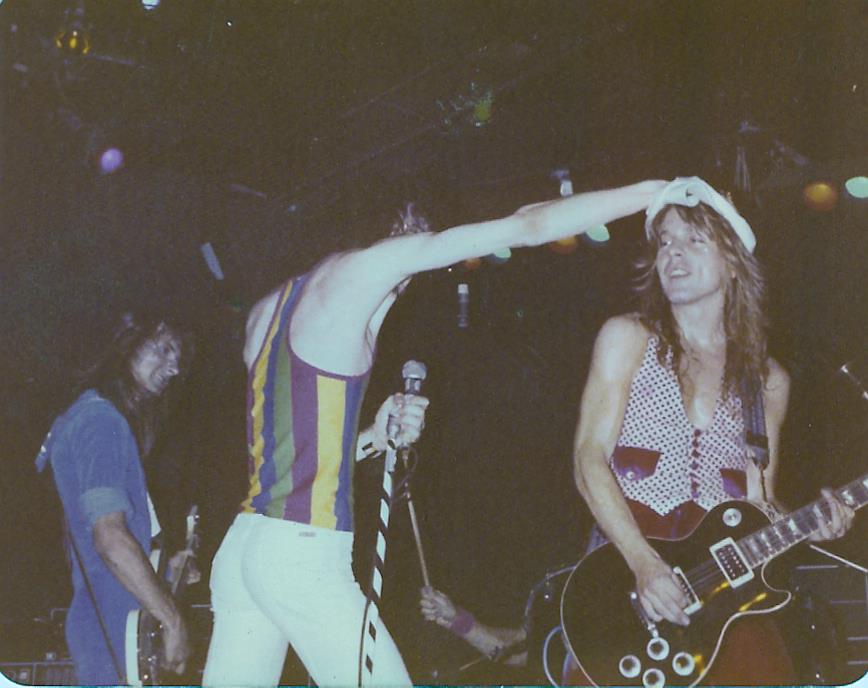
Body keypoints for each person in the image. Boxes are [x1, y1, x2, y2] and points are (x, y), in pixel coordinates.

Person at [202, 179, 671, 688]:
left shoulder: (269, 309)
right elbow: (528, 224)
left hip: (247, 547)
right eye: (418, 236)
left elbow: (294, 459)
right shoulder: (365, 269)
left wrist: (375, 437)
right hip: (302, 553)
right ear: (398, 230)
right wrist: (659, 191)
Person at [572, 176, 856, 684]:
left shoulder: (766, 381)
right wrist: (643, 562)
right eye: (665, 242)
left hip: (724, 593)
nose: (673, 254)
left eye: (694, 240)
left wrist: (816, 522)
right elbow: (587, 458)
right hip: (626, 573)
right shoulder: (628, 337)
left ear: (733, 262)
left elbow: (759, 504)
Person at [35, 312, 195, 685]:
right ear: (128, 342)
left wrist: (166, 572)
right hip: (111, 624)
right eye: (165, 349)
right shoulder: (101, 421)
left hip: (111, 623)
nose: (173, 368)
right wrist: (172, 620)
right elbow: (109, 538)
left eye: (178, 360)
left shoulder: (90, 417)